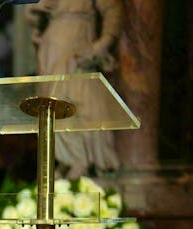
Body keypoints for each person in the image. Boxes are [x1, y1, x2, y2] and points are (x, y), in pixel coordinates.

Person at [28, 0, 124, 178]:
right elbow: (32, 14)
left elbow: (113, 10)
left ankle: (81, 161)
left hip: (78, 43)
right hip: (51, 47)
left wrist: (101, 45)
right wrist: (37, 11)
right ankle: (67, 161)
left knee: (76, 101)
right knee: (48, 104)